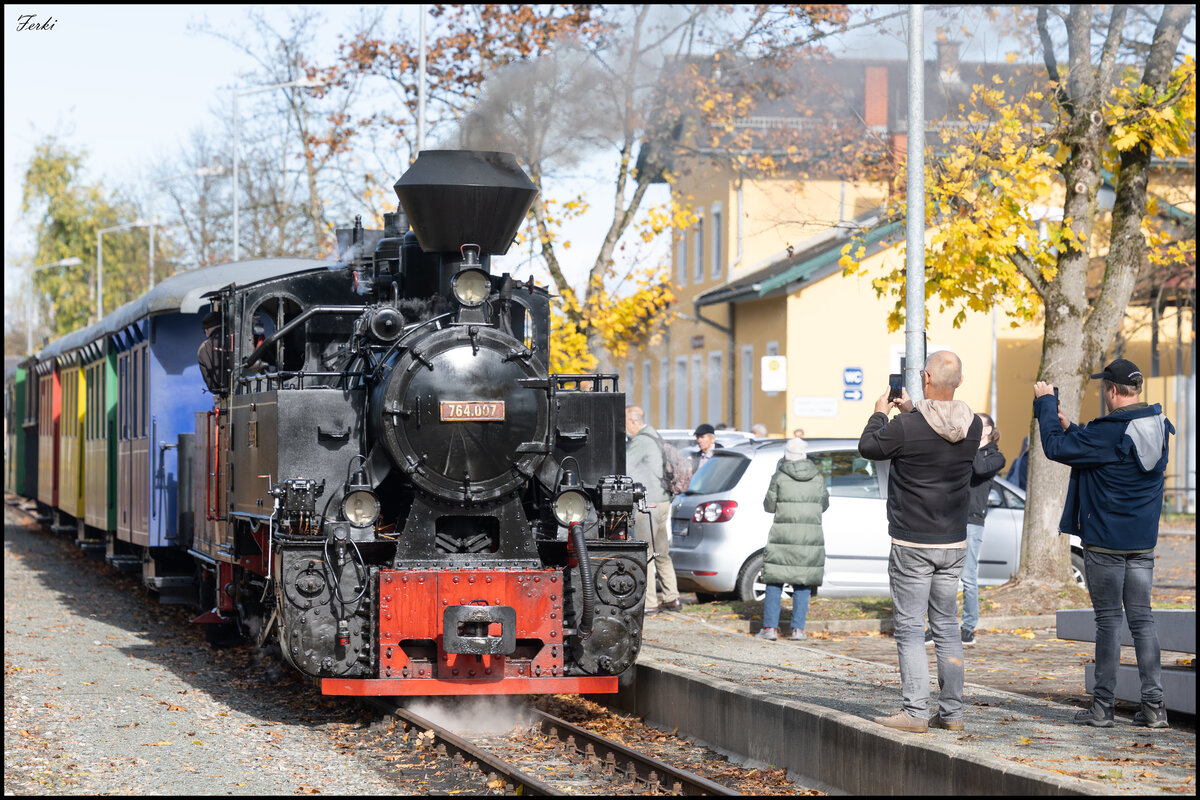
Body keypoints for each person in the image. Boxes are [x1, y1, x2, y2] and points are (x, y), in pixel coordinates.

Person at [1034, 359, 1174, 729]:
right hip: (1142, 543)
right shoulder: (1158, 427)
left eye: (1103, 389)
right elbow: (1115, 454)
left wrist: (1046, 404)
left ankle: (1103, 707)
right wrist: (1075, 430)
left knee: (1109, 623)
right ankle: (1155, 707)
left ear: (1112, 391)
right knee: (1143, 621)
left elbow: (1054, 448)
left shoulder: (1106, 431)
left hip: (1106, 544)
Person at [858, 350, 982, 733]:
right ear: (959, 382)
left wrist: (881, 412)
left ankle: (914, 712)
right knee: (946, 626)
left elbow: (869, 446)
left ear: (925, 377)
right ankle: (952, 714)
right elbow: (936, 429)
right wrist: (913, 409)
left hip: (912, 543)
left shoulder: (905, 427)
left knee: (911, 627)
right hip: (954, 544)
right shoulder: (973, 425)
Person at [756, 437, 828, 642]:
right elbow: (824, 504)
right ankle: (798, 630)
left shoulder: (779, 477)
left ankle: (769, 629)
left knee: (774, 580)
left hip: (782, 536)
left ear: (787, 456)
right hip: (809, 537)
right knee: (803, 583)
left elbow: (769, 506)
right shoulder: (817, 477)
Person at [625, 406, 681, 614]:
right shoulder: (654, 434)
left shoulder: (641, 440)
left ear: (633, 422)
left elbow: (626, 466)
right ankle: (672, 598)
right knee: (662, 553)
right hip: (664, 502)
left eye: (625, 423)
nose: (625, 429)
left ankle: (649, 603)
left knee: (645, 553)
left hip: (649, 505)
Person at [960, 413, 1005, 646]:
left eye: (977, 424)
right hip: (951, 518)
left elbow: (978, 469)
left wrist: (969, 442)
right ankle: (937, 627)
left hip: (972, 522)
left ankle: (968, 627)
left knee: (968, 577)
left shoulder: (995, 457)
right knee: (944, 579)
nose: (972, 427)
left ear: (987, 430)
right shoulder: (964, 448)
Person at [197, 310, 224, 395]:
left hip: (224, 394)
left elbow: (213, 387)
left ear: (207, 331)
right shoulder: (240, 339)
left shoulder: (202, 349)